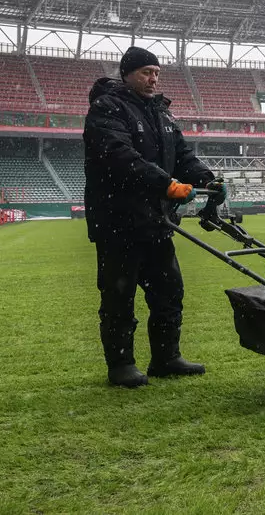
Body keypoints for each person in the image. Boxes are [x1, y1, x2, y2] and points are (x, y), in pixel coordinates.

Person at [83, 46, 224, 388]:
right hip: (118, 222)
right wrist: (167, 185)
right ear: (127, 73)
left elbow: (183, 157)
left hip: (156, 222)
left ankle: (166, 357)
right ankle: (121, 365)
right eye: (147, 72)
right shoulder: (107, 108)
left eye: (157, 73)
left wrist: (207, 179)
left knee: (169, 291)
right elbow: (119, 157)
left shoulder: (162, 115)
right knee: (119, 296)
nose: (153, 78)